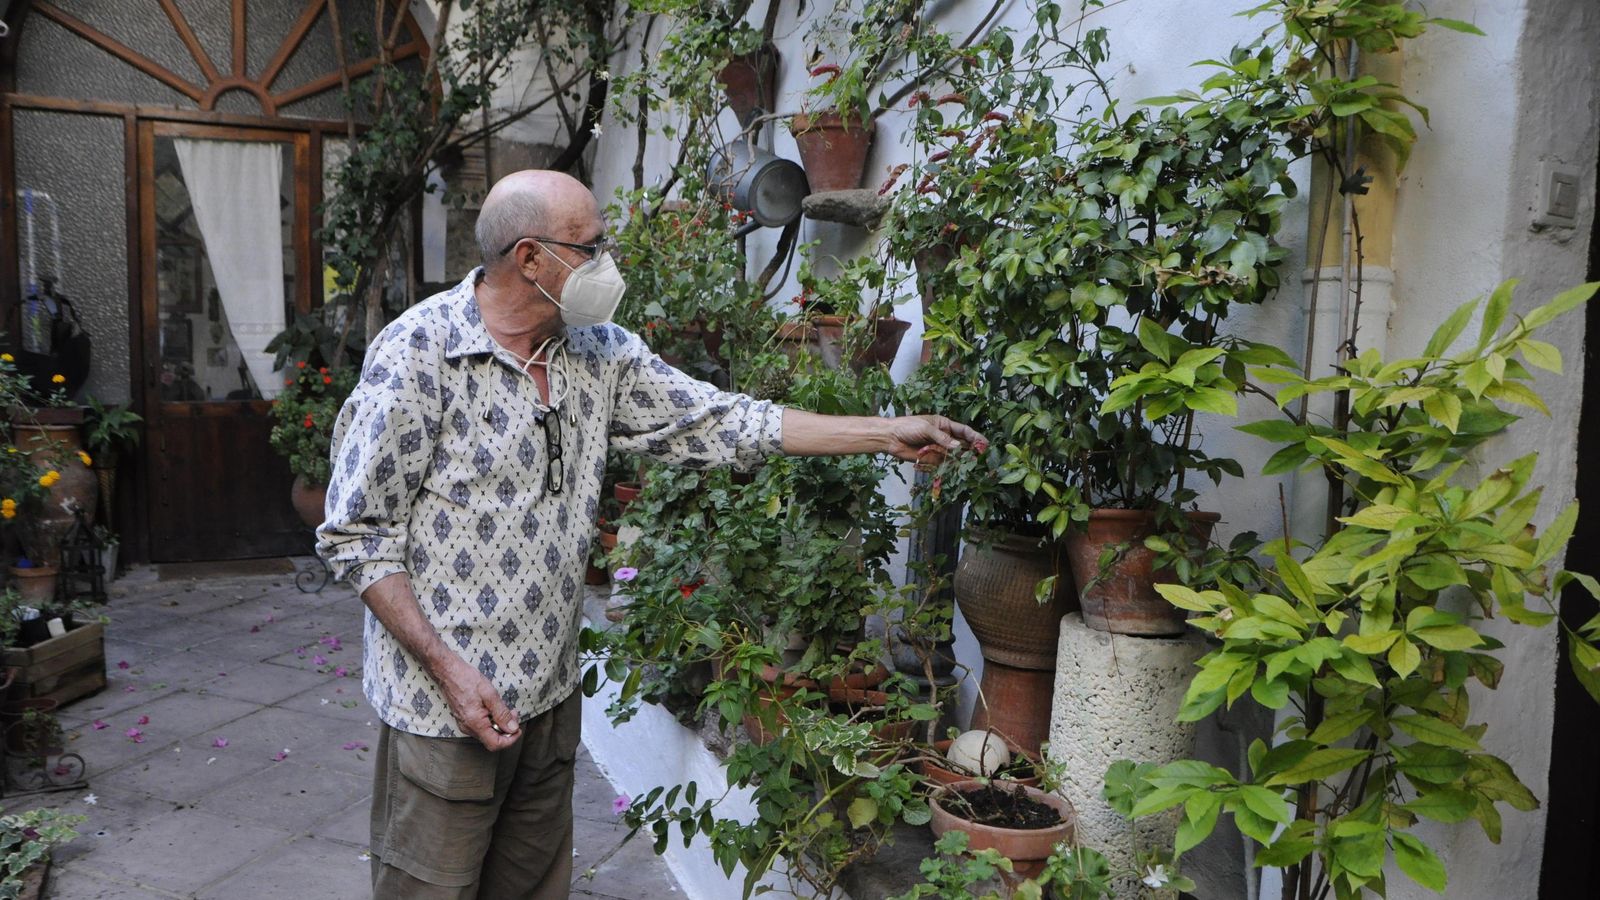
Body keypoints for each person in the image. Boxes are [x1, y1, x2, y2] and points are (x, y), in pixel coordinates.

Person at [316, 170, 985, 899]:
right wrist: (449, 669)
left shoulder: (598, 351)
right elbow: (356, 534)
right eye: (592, 246)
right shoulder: (417, 355)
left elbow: (723, 420)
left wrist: (886, 433)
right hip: (441, 708)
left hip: (547, 695)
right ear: (531, 258)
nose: (608, 263)